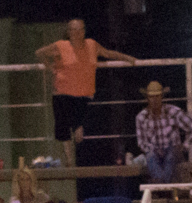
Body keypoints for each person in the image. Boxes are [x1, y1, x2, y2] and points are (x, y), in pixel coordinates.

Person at [35, 18, 137, 166]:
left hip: (83, 95)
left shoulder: (91, 45)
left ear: (84, 31)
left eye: (80, 29)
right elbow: (39, 53)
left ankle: (78, 134)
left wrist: (127, 58)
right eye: (73, 30)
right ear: (68, 32)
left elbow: (107, 53)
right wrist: (50, 68)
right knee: (63, 128)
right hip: (62, 92)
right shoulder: (61, 46)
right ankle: (70, 160)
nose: (77, 33)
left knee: (79, 134)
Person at [134, 81, 192, 184]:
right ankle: (164, 184)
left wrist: (185, 146)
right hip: (155, 154)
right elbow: (142, 142)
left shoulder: (173, 111)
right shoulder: (141, 117)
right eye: (152, 97)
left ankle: (159, 185)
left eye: (157, 96)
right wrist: (153, 149)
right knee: (151, 155)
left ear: (161, 97)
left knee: (171, 155)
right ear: (147, 98)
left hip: (173, 150)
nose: (154, 100)